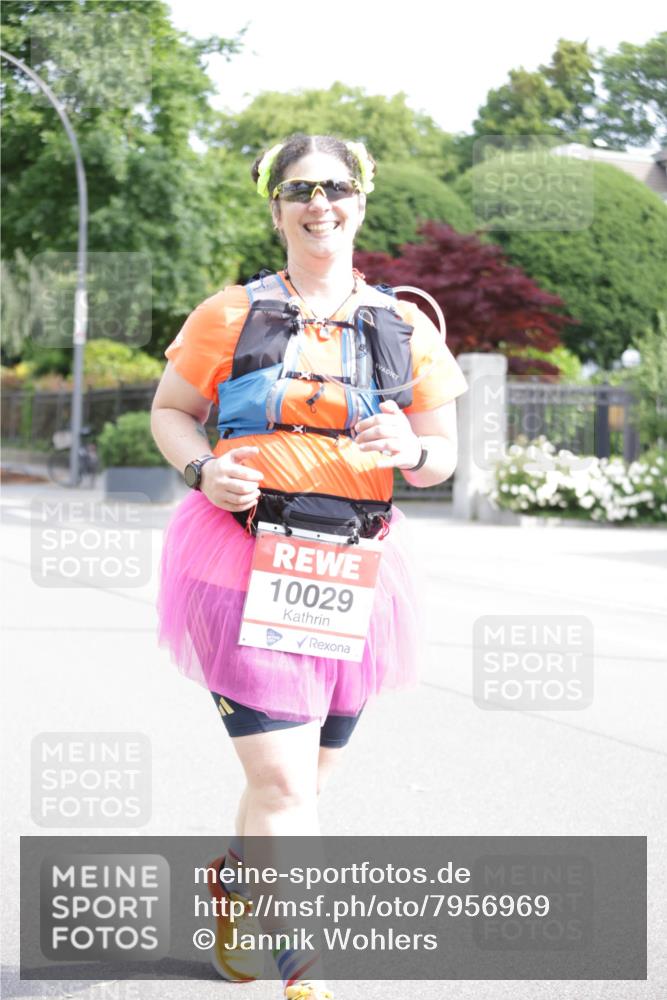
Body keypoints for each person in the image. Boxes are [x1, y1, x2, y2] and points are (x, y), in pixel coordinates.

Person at [151, 132, 468, 1000]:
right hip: (238, 559)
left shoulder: (406, 325)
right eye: (299, 189)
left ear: (361, 200)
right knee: (285, 781)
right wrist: (200, 468)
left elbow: (441, 457)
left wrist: (412, 445)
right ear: (276, 204)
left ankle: (231, 879)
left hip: (356, 573)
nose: (318, 202)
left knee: (305, 778)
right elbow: (173, 411)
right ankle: (306, 974)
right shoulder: (228, 313)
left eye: (334, 187)